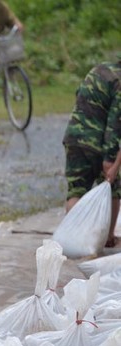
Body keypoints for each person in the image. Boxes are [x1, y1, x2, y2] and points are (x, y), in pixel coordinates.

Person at [63, 58, 121, 247]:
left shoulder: (101, 69)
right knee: (113, 187)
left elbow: (79, 96)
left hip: (74, 137)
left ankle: (74, 242)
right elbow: (116, 123)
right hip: (97, 141)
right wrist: (111, 160)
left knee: (76, 190)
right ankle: (108, 237)